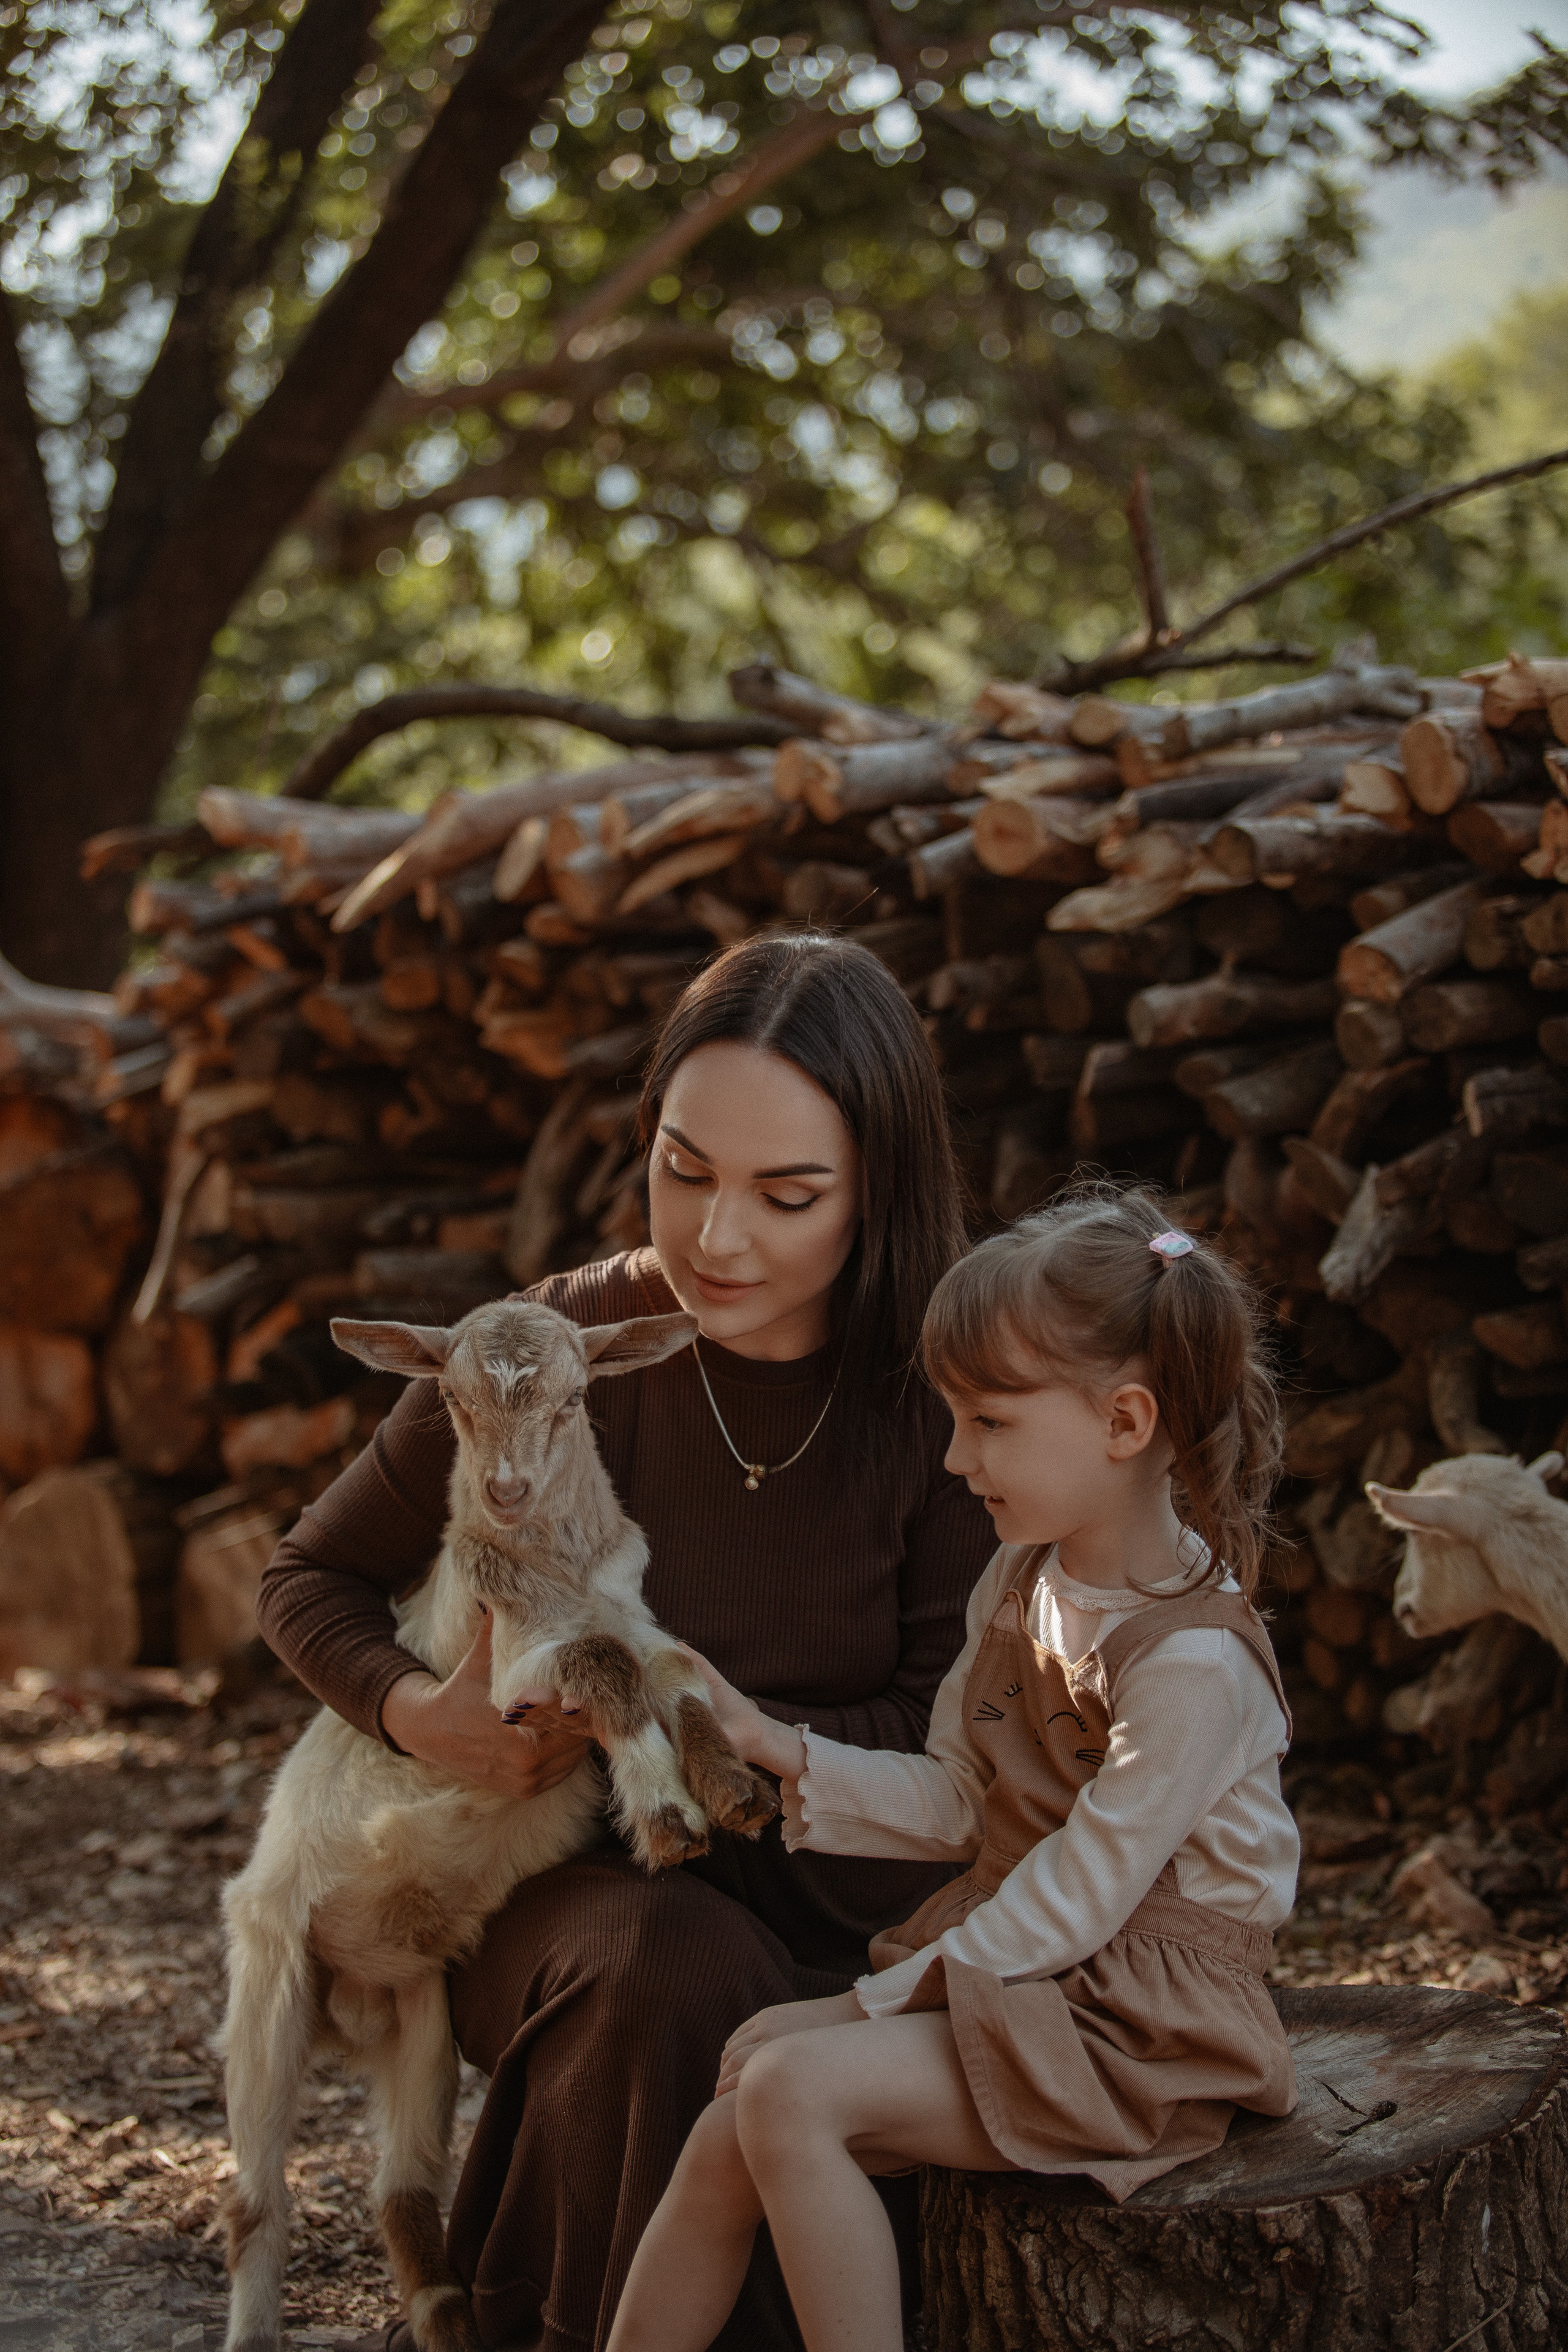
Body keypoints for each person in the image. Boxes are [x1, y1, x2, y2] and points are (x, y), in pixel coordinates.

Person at [255, 932, 995, 2352]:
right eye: (682, 1168)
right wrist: (421, 1717)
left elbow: (951, 1733)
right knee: (670, 1963)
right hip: (576, 1892)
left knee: (755, 1982)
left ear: (877, 1189)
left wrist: (747, 1743)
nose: (715, 1239)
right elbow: (310, 1579)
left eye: (786, 1196)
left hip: (860, 1895)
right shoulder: (552, 1343)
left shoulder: (941, 1392)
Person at [606, 1186, 1301, 2352]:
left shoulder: (1192, 1663)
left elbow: (1084, 1893)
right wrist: (776, 1745)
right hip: (1041, 1972)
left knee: (787, 2087)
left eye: (988, 1422)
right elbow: (962, 1800)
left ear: (1125, 1423)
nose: (952, 1454)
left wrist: (856, 2005)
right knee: (737, 2122)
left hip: (1148, 2030)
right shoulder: (1020, 1579)